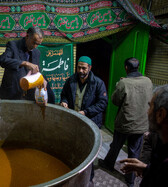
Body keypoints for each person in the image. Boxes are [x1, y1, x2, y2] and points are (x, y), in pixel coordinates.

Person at [98, 57, 153, 187]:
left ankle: (108, 164)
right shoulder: (148, 81)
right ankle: (130, 180)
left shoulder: (124, 83)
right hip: (141, 124)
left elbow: (115, 101)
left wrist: (119, 84)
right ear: (138, 67)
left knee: (115, 146)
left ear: (126, 68)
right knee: (134, 151)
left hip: (125, 124)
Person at [60, 56, 108, 185]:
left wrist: (86, 112)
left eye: (84, 68)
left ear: (90, 68)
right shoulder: (71, 80)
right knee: (73, 148)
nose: (81, 70)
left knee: (88, 151)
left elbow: (103, 103)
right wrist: (64, 101)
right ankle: (73, 173)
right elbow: (64, 94)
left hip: (90, 123)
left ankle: (89, 178)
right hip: (74, 121)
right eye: (79, 67)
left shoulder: (98, 83)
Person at [120, 84, 168, 187]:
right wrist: (146, 169)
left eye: (150, 106)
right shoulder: (159, 137)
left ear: (160, 114)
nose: (147, 112)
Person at [0, 26, 55, 104]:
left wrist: (41, 79)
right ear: (27, 36)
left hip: (29, 97)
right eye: (34, 43)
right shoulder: (13, 45)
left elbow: (36, 71)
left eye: (38, 44)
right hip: (11, 96)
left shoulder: (36, 52)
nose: (35, 46)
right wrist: (24, 63)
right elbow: (3, 60)